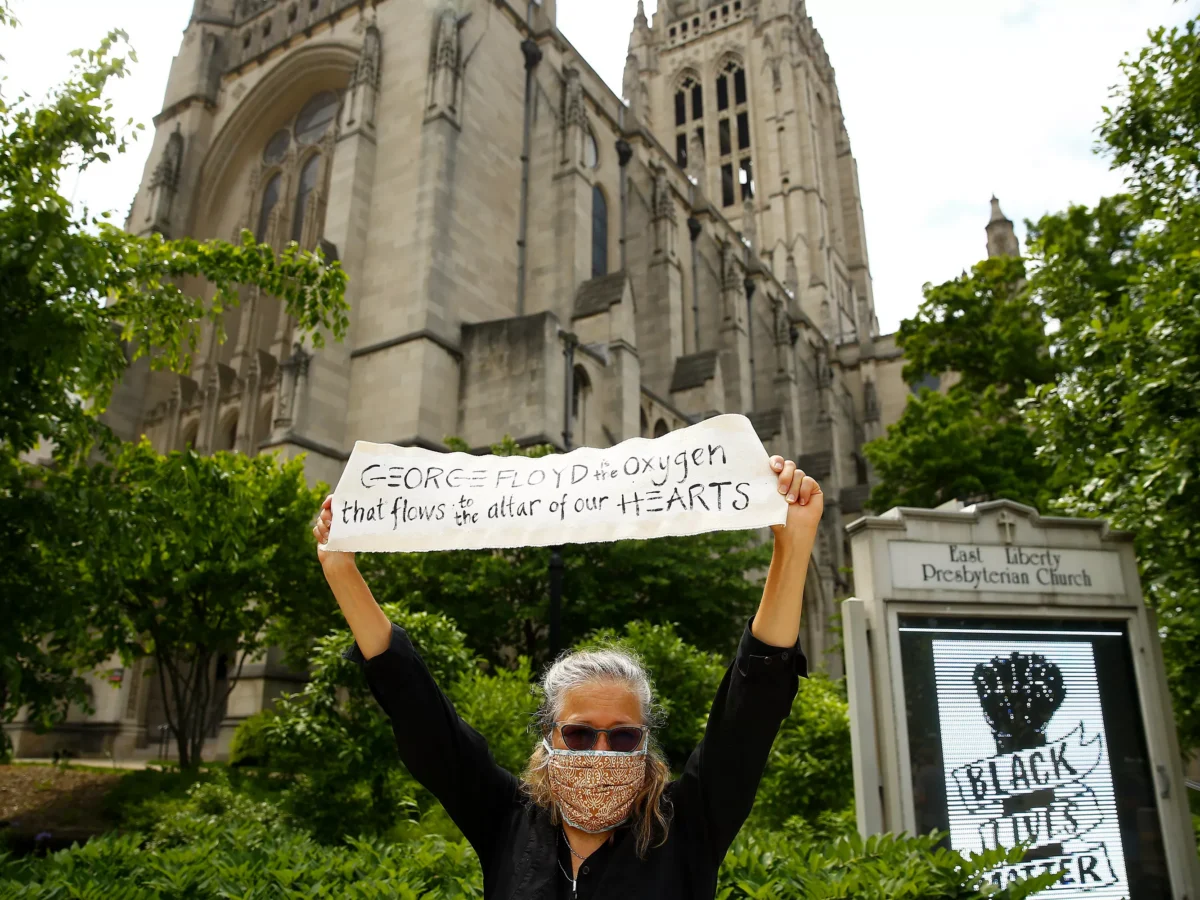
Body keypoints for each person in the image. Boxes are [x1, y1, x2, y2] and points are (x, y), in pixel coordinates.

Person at [312, 455, 823, 899]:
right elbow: (419, 713)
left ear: (645, 743)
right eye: (579, 733)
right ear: (550, 736)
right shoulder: (506, 821)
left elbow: (750, 710)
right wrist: (341, 571)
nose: (601, 753)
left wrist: (792, 546)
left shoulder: (688, 827)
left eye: (622, 736)